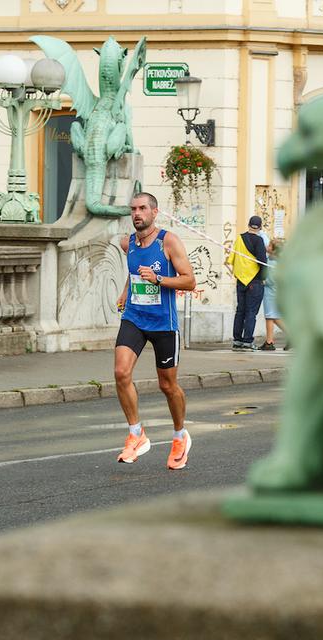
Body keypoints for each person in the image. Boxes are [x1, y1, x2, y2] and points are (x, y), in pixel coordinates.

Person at [114, 192, 197, 470]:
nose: (137, 213)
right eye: (133, 209)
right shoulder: (130, 244)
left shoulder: (168, 241)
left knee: (167, 386)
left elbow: (189, 281)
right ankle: (136, 434)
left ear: (154, 212)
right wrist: (126, 293)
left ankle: (179, 436)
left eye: (142, 209)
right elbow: (134, 273)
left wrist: (159, 278)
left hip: (164, 323)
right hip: (135, 317)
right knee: (121, 372)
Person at [226, 216, 269, 351]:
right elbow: (262, 261)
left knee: (240, 311)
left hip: (241, 280)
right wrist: (264, 278)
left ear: (248, 225)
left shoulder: (239, 238)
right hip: (255, 281)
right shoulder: (259, 240)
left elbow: (232, 258)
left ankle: (237, 340)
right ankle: (247, 341)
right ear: (260, 227)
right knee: (251, 312)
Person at [259, 238, 289, 351]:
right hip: (275, 291)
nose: (267, 246)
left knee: (270, 316)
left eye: (269, 246)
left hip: (270, 291)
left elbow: (271, 280)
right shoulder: (277, 260)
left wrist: (263, 281)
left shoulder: (272, 262)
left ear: (273, 250)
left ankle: (269, 342)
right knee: (273, 316)